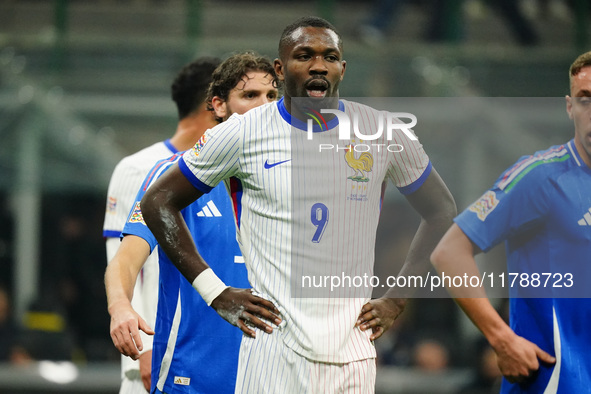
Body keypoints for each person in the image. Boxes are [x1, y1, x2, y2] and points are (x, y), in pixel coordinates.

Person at [140, 16, 456, 393]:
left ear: (342, 68)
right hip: (274, 352)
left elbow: (442, 211)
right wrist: (214, 291)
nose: (318, 65)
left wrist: (397, 298)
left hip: (353, 354)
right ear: (280, 68)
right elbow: (158, 202)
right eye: (304, 55)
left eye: (330, 56)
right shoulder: (244, 132)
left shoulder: (384, 133)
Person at [106, 52, 280, 394]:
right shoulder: (169, 179)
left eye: (272, 96)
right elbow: (124, 261)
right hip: (191, 376)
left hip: (271, 376)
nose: (264, 106)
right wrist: (121, 307)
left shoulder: (294, 183)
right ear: (217, 106)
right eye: (250, 95)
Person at [431, 50, 591, 392]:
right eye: (584, 100)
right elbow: (449, 252)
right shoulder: (541, 177)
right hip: (556, 383)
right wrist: (501, 339)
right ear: (569, 107)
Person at [103, 56, 221, 393]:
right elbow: (121, 262)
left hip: (208, 348)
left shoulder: (231, 174)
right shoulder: (137, 168)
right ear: (212, 105)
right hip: (152, 350)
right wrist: (142, 349)